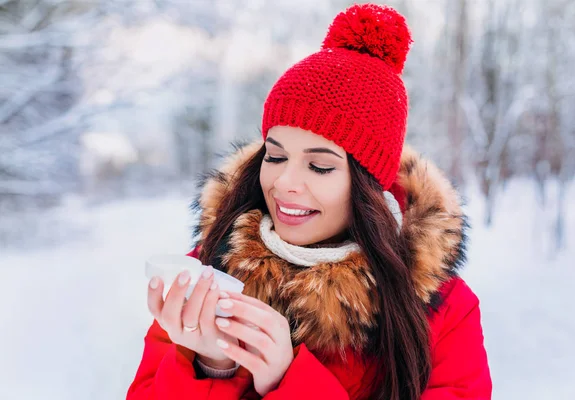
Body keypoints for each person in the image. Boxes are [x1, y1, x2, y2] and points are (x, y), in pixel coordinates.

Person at [126, 3, 492, 400]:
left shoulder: (444, 310)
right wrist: (213, 364)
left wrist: (290, 382)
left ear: (369, 186)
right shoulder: (211, 274)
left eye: (319, 167)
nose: (284, 183)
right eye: (276, 156)